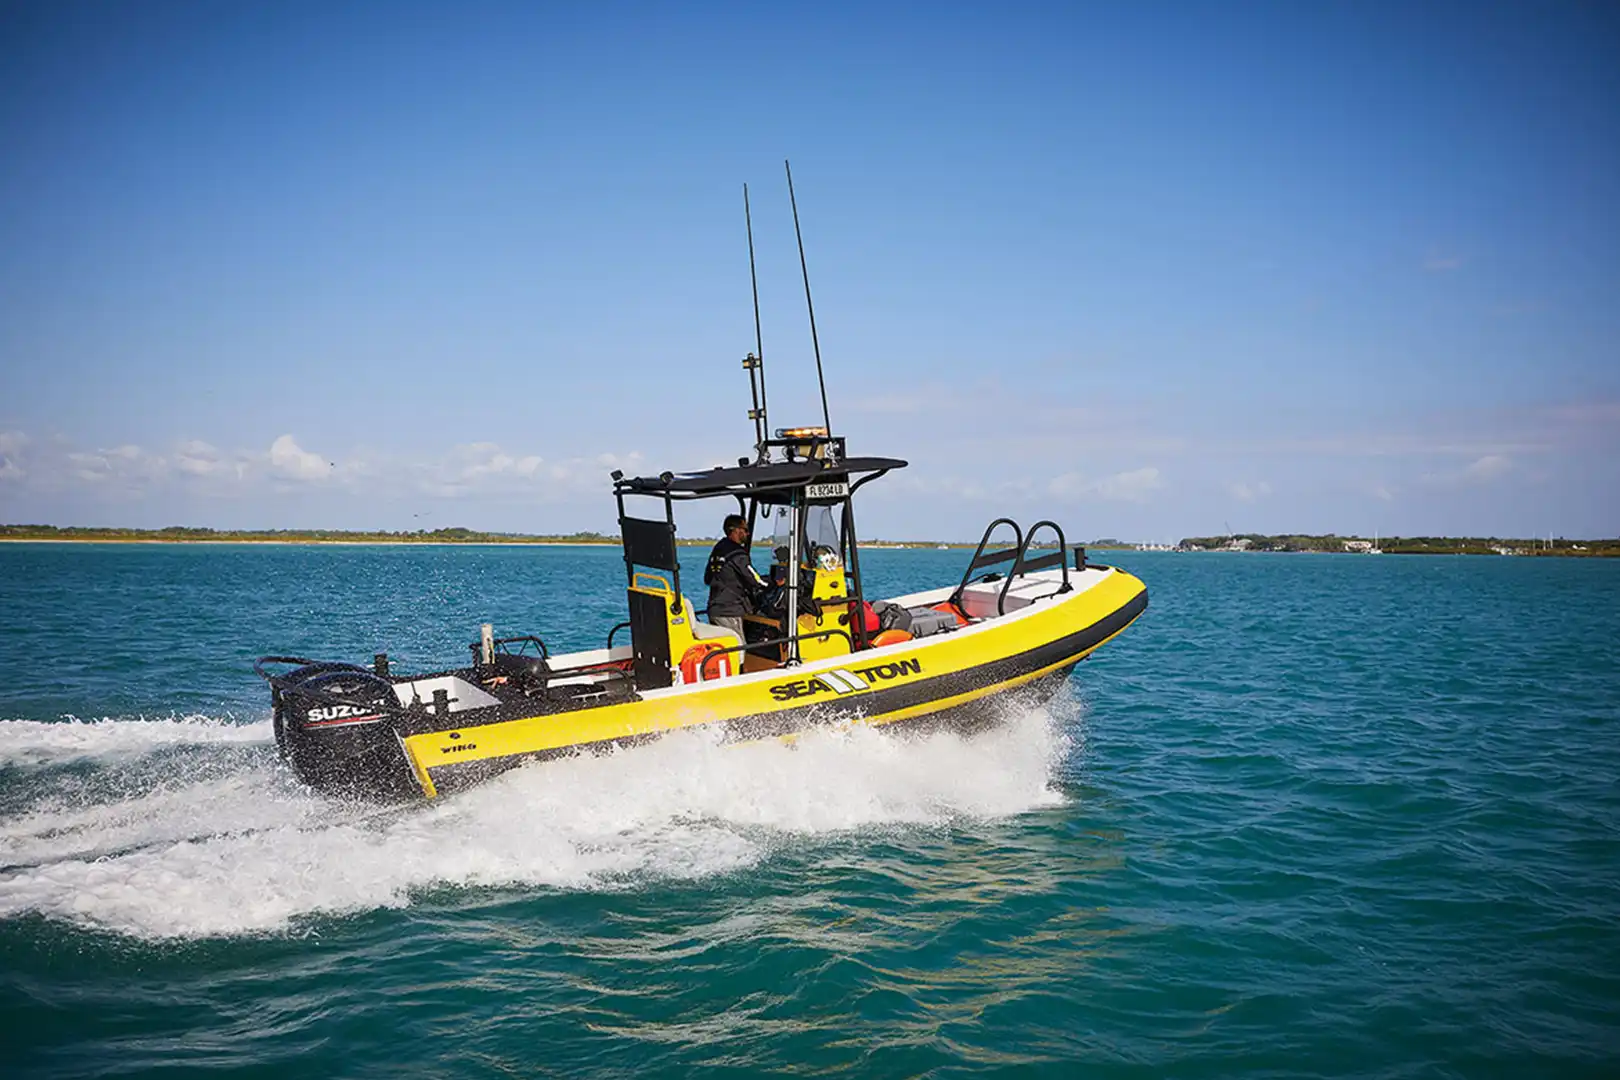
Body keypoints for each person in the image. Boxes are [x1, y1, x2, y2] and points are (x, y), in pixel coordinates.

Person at [703, 514, 765, 639]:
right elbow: (754, 580)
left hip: (714, 609)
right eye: (745, 530)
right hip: (729, 611)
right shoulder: (737, 554)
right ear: (736, 530)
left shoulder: (719, 549)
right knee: (738, 650)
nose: (747, 534)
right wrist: (774, 584)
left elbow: (707, 578)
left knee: (724, 648)